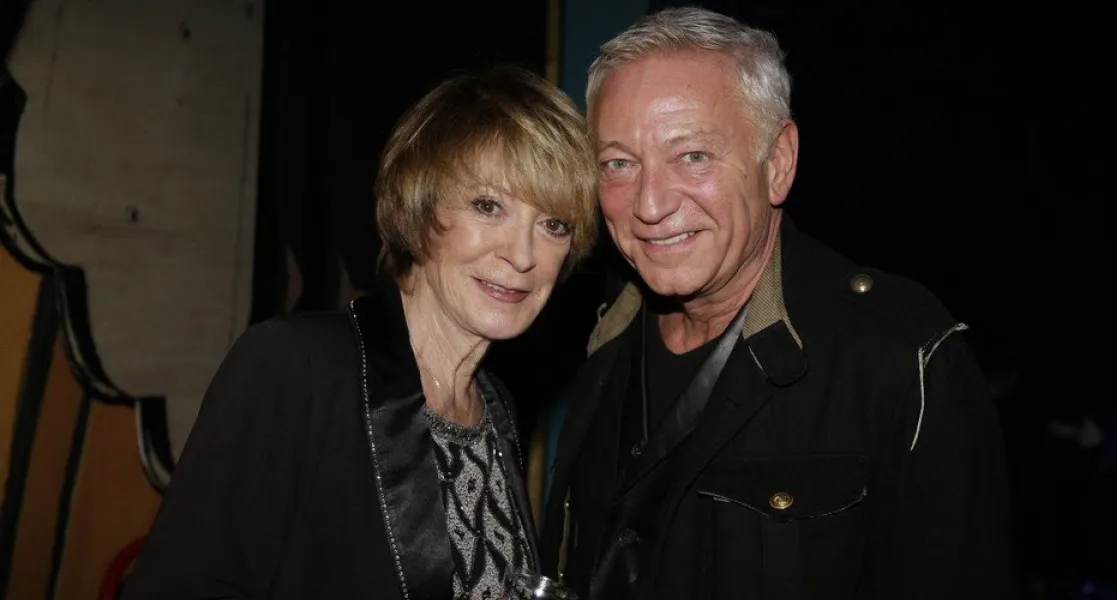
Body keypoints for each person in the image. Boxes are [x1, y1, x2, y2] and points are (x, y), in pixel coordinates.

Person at [537, 8, 1018, 600]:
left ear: (779, 163)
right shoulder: (599, 334)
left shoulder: (899, 358)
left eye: (692, 156)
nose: (651, 204)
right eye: (618, 164)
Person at [123, 65, 597, 600]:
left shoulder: (496, 407)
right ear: (420, 209)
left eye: (553, 224)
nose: (522, 254)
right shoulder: (295, 367)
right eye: (488, 207)